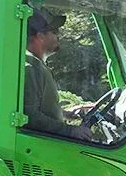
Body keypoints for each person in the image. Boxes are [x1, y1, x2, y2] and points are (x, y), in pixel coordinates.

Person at [23, 9, 92, 140]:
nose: (58, 36)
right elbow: (30, 115)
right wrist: (70, 131)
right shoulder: (31, 68)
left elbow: (41, 108)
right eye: (54, 32)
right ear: (40, 37)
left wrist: (65, 113)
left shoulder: (36, 64)